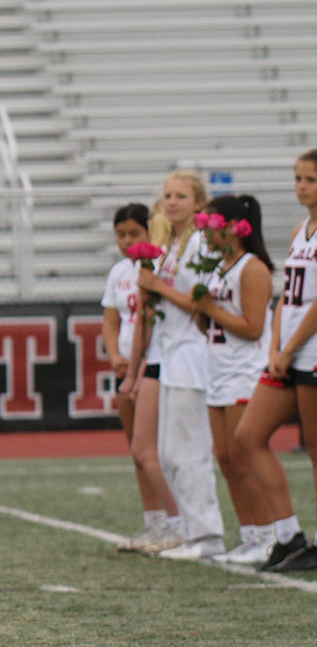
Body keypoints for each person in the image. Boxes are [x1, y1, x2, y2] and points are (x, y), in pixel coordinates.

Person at [127, 169, 224, 559]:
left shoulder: (201, 245)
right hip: (170, 355)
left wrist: (158, 289)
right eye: (167, 196)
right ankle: (188, 529)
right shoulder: (169, 245)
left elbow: (204, 305)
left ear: (199, 204)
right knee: (169, 452)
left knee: (189, 451)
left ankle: (207, 534)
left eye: (181, 196)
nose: (171, 203)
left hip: (191, 355)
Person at [234, 151, 317, 571]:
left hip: (311, 352)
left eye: (310, 179)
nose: (301, 186)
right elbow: (289, 296)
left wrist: (290, 347)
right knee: (248, 436)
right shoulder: (300, 230)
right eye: (298, 178)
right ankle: (288, 535)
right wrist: (276, 348)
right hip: (289, 352)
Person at [190, 196, 276, 566]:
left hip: (244, 371)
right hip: (217, 371)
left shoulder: (252, 268)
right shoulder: (215, 268)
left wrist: (210, 308)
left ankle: (269, 535)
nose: (206, 234)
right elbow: (207, 325)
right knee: (226, 460)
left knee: (243, 459)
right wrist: (201, 309)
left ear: (233, 227)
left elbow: (253, 328)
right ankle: (250, 534)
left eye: (211, 226)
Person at [99, 203, 180, 551]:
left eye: (135, 233)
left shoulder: (157, 268)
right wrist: (115, 356)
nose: (127, 240)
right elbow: (111, 321)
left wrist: (138, 363)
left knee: (152, 450)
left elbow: (152, 319)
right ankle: (154, 522)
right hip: (128, 367)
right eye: (121, 234)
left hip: (154, 364)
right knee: (137, 450)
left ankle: (177, 521)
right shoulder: (119, 271)